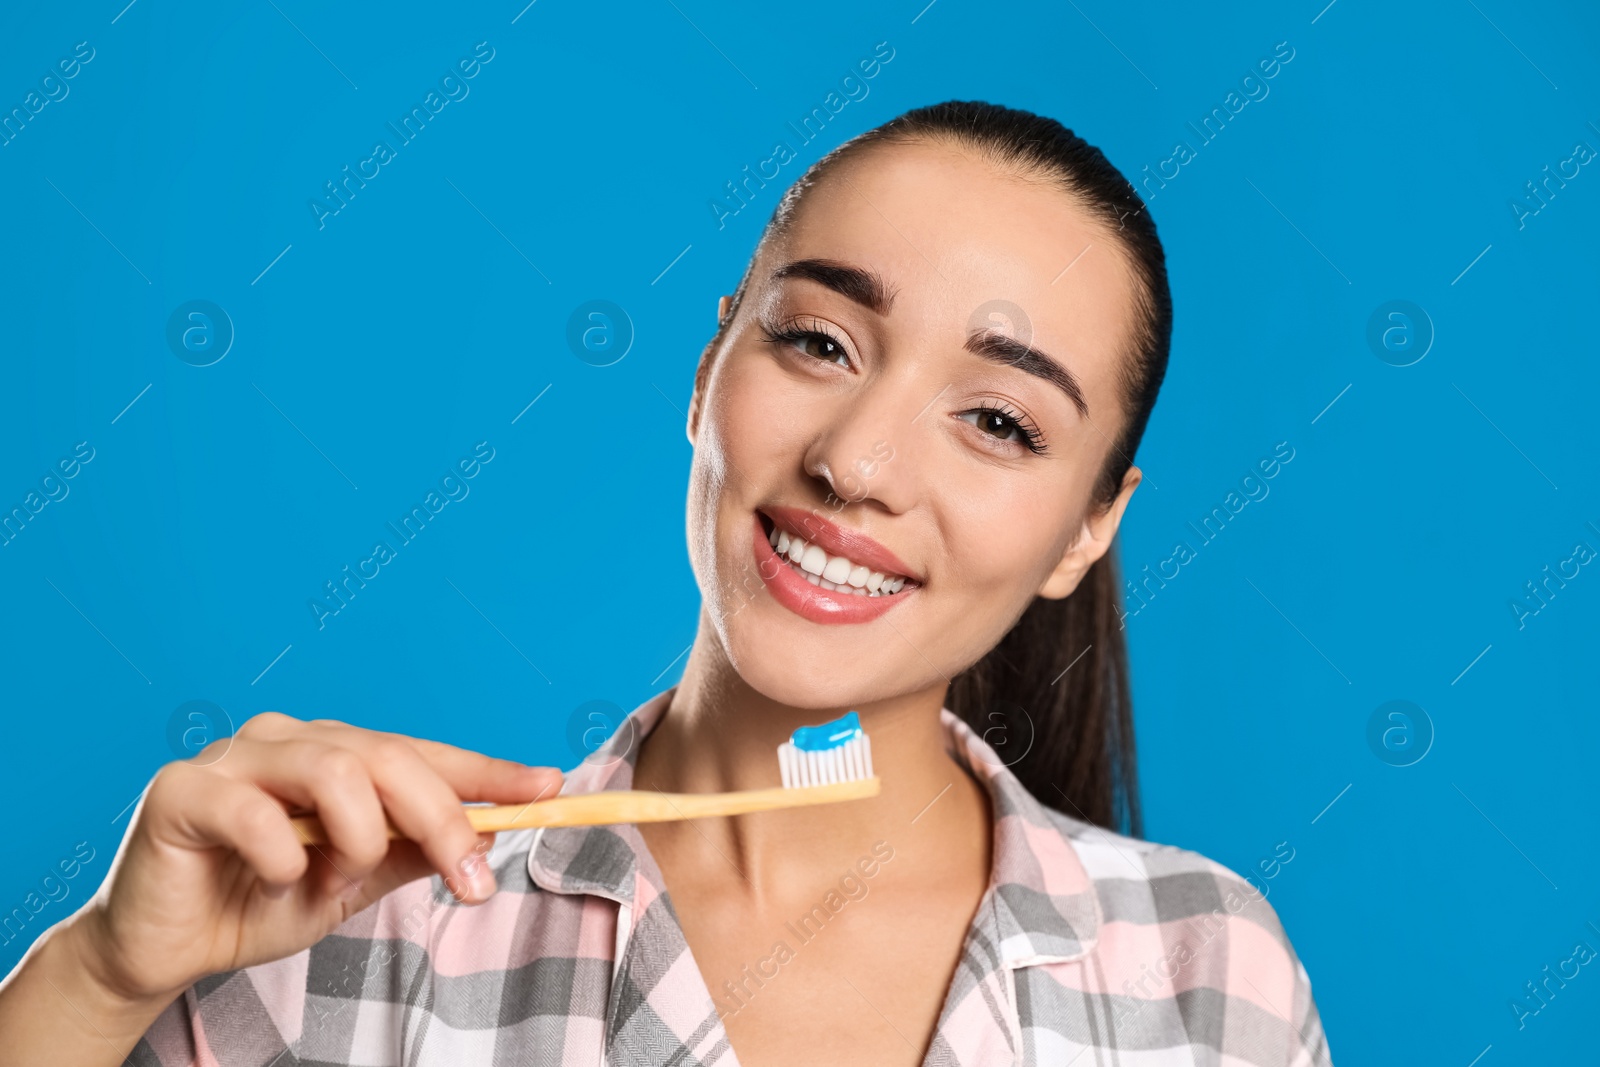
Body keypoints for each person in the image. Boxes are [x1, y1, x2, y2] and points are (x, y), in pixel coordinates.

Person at [0, 100, 1332, 1066]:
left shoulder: (1208, 979)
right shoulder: (352, 940)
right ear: (709, 373)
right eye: (818, 341)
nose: (857, 463)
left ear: (1087, 531)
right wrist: (98, 974)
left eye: (998, 422)